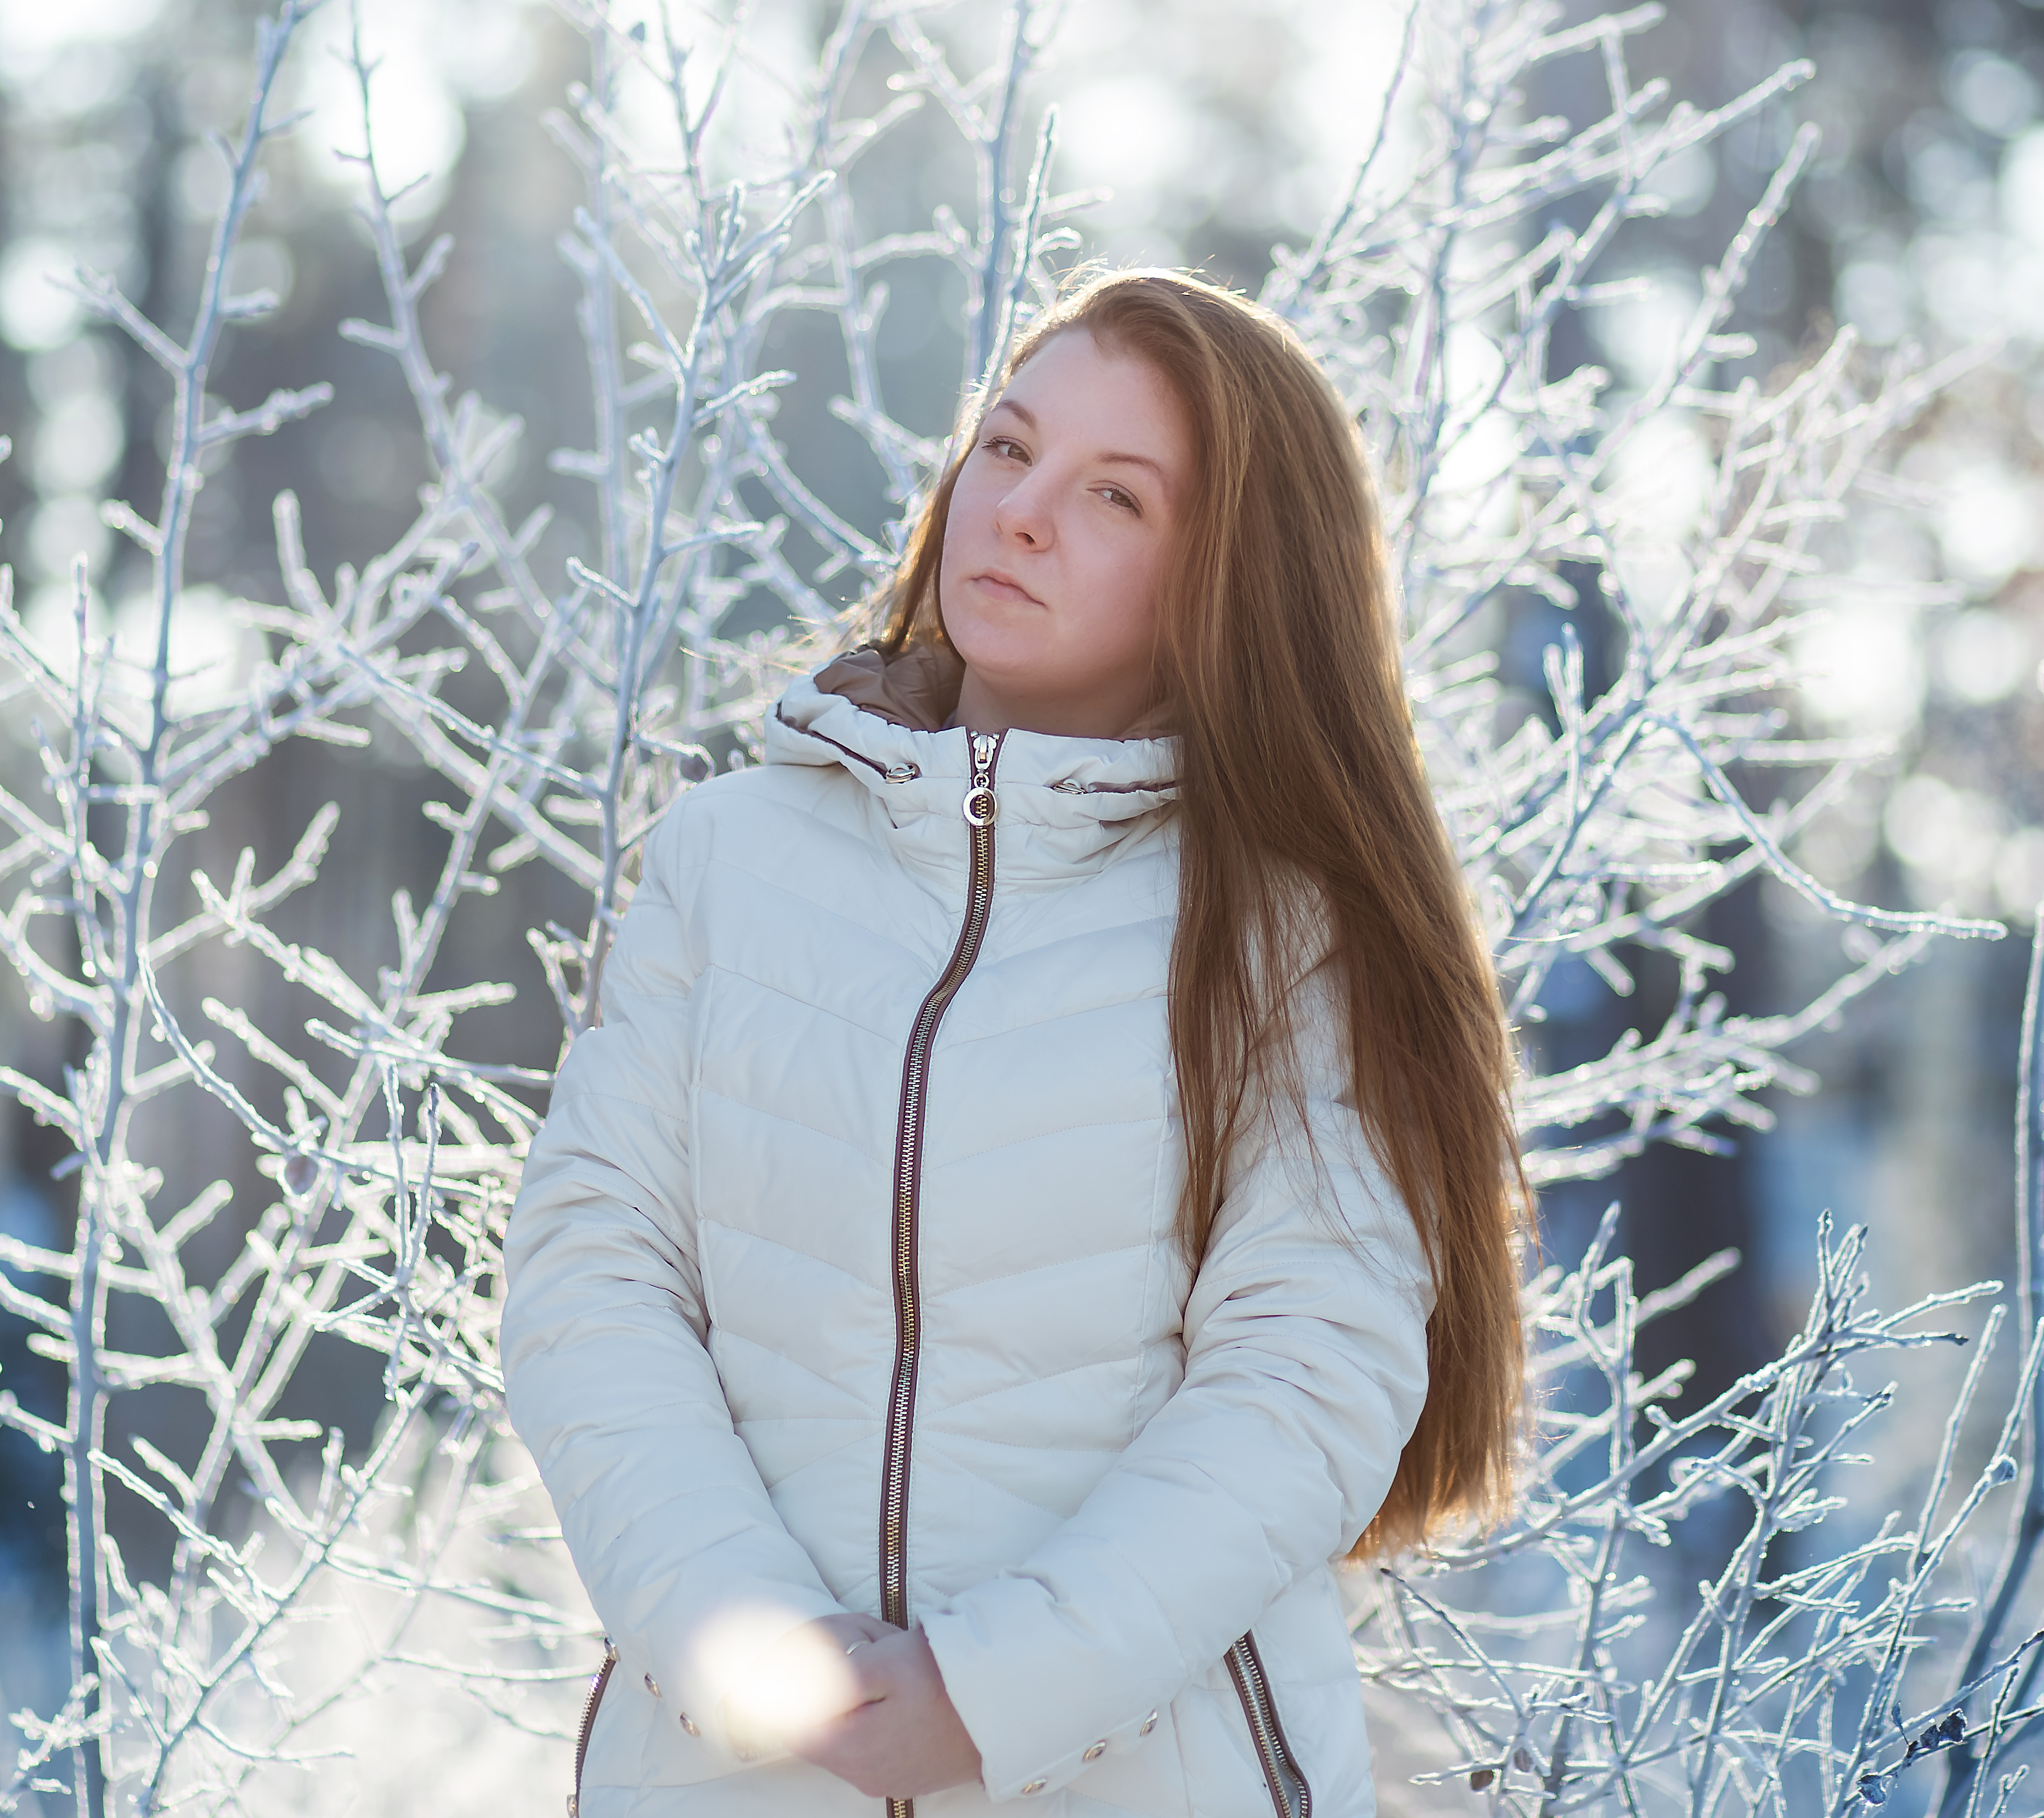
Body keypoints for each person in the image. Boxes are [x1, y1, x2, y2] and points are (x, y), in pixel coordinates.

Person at [502, 270, 1529, 1817]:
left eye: (1114, 495)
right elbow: (593, 1271)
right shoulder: (727, 859)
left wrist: (988, 1701)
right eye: (1008, 450)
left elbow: (1307, 1376)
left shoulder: (1282, 933)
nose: (1023, 513)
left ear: (1227, 581)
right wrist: (749, 1650)